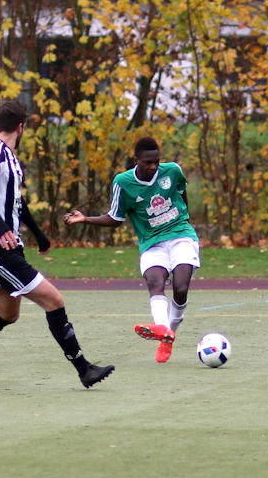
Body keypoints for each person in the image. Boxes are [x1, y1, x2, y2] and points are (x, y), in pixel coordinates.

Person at [0, 100, 114, 388]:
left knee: (7, 314)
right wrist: (1, 229)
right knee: (54, 300)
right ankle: (83, 369)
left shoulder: (11, 158)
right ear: (21, 126)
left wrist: (38, 233)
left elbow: (15, 200)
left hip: (9, 246)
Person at [64, 136, 200, 363]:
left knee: (181, 286)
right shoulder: (123, 183)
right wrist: (85, 219)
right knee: (155, 283)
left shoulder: (173, 170)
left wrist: (185, 218)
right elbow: (115, 218)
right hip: (151, 243)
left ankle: (168, 332)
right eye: (148, 162)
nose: (154, 166)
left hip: (181, 236)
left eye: (157, 161)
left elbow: (181, 191)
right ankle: (163, 332)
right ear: (136, 160)